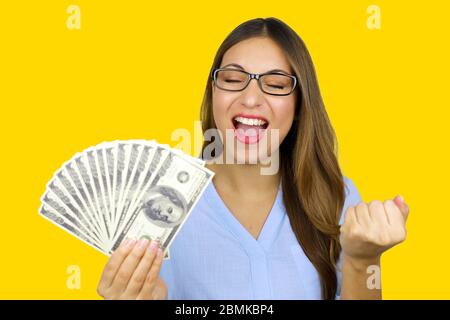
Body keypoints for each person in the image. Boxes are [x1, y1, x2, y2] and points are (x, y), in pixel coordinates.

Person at [96, 17, 410, 300]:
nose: (250, 98)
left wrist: (363, 260)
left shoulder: (337, 197)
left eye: (275, 85)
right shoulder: (158, 204)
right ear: (213, 93)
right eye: (233, 80)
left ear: (300, 106)